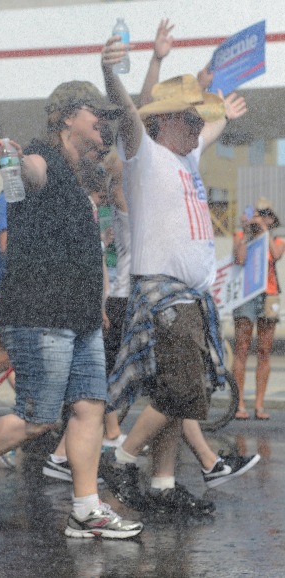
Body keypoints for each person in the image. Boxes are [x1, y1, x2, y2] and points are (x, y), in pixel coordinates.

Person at [0, 79, 143, 541]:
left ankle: (86, 508)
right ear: (67, 116)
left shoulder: (81, 175)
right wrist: (11, 156)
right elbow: (27, 171)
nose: (102, 123)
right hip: (42, 311)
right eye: (94, 113)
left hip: (80, 313)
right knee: (37, 418)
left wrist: (98, 304)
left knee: (89, 406)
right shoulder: (45, 158)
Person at [99, 28, 250, 517]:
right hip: (164, 294)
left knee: (175, 395)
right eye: (188, 118)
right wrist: (108, 71)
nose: (195, 125)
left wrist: (220, 114)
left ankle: (163, 485)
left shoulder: (186, 156)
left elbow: (212, 129)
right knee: (184, 389)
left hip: (188, 294)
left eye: (196, 118)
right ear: (163, 122)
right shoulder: (147, 156)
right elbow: (127, 112)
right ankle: (122, 460)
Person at [232, 198, 284, 420]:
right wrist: (246, 229)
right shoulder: (241, 236)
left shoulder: (277, 239)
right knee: (242, 348)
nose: (260, 217)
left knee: (264, 351)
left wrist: (263, 231)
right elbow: (240, 258)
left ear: (271, 219)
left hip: (269, 294)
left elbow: (276, 254)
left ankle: (259, 404)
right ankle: (239, 402)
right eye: (257, 213)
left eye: (264, 214)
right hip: (246, 294)